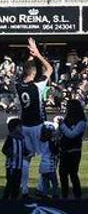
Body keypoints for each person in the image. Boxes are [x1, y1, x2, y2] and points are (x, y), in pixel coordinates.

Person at [17, 37, 53, 198]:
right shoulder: (37, 86)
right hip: (37, 125)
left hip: (24, 125)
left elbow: (27, 69)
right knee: (46, 155)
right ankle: (41, 188)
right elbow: (50, 69)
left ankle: (23, 189)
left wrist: (31, 56)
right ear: (34, 73)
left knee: (27, 157)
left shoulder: (19, 85)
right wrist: (37, 54)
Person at [59, 99, 86, 199]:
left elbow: (72, 134)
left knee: (73, 174)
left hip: (74, 151)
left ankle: (77, 195)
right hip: (64, 150)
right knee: (62, 174)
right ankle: (64, 194)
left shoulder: (81, 121)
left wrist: (62, 125)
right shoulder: (67, 119)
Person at [3, 118, 27, 199]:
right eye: (19, 126)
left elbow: (24, 150)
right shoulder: (10, 138)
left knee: (17, 183)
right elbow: (4, 150)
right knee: (10, 183)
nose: (21, 128)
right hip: (11, 166)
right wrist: (11, 154)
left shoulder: (22, 138)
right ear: (14, 127)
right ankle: (5, 201)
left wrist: (28, 152)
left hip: (19, 166)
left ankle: (14, 201)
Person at [38, 123, 59, 198]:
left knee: (45, 182)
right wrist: (57, 144)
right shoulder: (50, 142)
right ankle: (55, 195)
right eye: (53, 131)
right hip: (50, 165)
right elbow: (54, 151)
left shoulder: (41, 141)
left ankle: (44, 195)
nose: (54, 132)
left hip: (43, 164)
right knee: (54, 182)